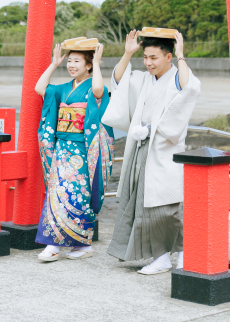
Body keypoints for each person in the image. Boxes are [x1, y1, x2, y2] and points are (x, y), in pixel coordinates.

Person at [102, 30, 201, 274]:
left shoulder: (177, 77)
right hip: (141, 148)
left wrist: (181, 55)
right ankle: (161, 257)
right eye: (145, 57)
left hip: (165, 150)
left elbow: (189, 89)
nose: (148, 62)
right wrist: (128, 53)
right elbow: (119, 82)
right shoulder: (145, 78)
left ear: (168, 57)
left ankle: (186, 252)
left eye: (154, 57)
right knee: (143, 205)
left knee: (167, 207)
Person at [33, 38, 115, 262]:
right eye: (69, 61)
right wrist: (54, 64)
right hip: (62, 149)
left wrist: (97, 63)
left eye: (77, 61)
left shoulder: (93, 86)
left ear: (88, 65)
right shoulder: (63, 89)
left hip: (82, 151)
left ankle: (81, 244)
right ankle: (54, 244)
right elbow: (39, 88)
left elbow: (98, 90)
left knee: (78, 196)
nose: (71, 65)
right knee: (56, 195)